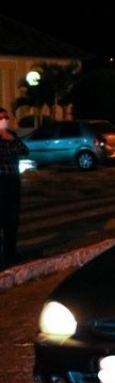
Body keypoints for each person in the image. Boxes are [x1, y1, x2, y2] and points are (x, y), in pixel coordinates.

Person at [0, 108, 29, 267]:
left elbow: (25, 151)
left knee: (12, 219)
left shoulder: (12, 136)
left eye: (6, 117)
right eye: (1, 118)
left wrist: (12, 140)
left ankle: (10, 252)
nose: (4, 120)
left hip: (12, 180)